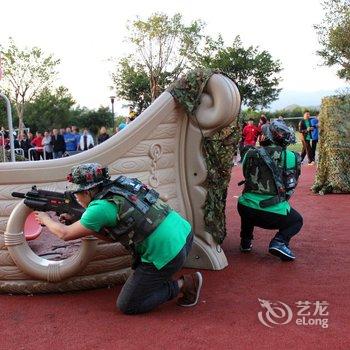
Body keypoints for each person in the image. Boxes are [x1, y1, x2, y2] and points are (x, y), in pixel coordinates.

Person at [34, 163, 203, 314]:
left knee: (128, 304)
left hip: (167, 253)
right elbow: (112, 237)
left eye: (77, 194)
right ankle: (156, 279)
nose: (76, 198)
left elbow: (64, 234)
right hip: (185, 234)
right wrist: (84, 225)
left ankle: (185, 284)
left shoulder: (99, 208)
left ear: (87, 191)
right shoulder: (122, 186)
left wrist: (45, 219)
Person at [237, 120, 303, 261]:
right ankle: (280, 241)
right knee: (296, 221)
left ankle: (245, 242)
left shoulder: (250, 153)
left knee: (249, 201)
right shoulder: (290, 157)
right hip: (272, 215)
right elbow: (290, 185)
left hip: (245, 208)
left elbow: (245, 174)